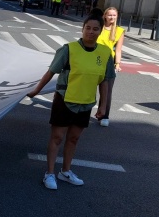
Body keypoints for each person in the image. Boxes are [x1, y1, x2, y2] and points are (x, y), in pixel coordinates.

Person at [27, 15, 114, 190]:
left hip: (86, 102)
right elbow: (51, 72)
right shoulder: (68, 49)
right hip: (65, 100)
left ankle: (65, 171)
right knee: (57, 137)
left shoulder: (105, 53)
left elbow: (105, 81)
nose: (91, 32)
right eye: (87, 28)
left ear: (100, 31)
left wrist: (103, 105)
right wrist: (36, 90)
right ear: (82, 29)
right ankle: (49, 173)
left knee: (73, 138)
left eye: (95, 29)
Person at [96, 7, 124, 127]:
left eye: (114, 15)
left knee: (107, 91)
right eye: (110, 15)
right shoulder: (98, 27)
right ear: (105, 16)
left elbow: (118, 50)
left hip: (108, 62)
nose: (112, 17)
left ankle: (104, 115)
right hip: (95, 59)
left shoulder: (119, 31)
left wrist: (117, 64)